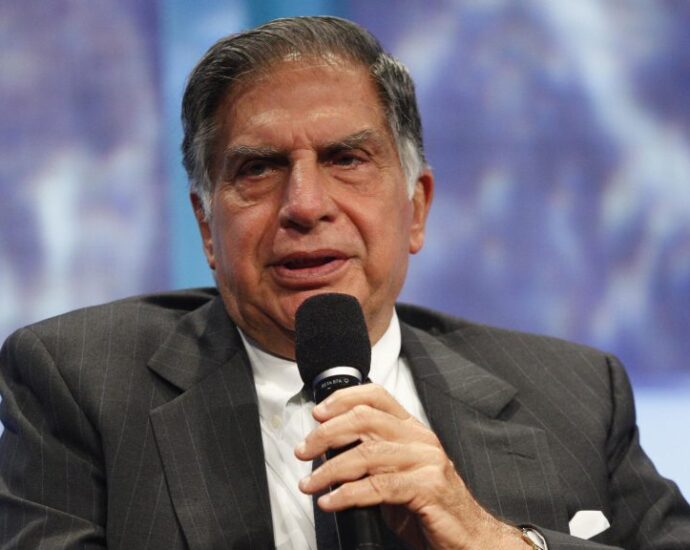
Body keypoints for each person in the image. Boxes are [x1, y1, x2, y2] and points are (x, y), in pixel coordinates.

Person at [0, 15, 688, 550]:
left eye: (346, 159)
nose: (305, 205)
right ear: (207, 227)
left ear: (416, 207)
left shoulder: (574, 394)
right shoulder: (80, 385)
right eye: (259, 168)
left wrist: (493, 539)